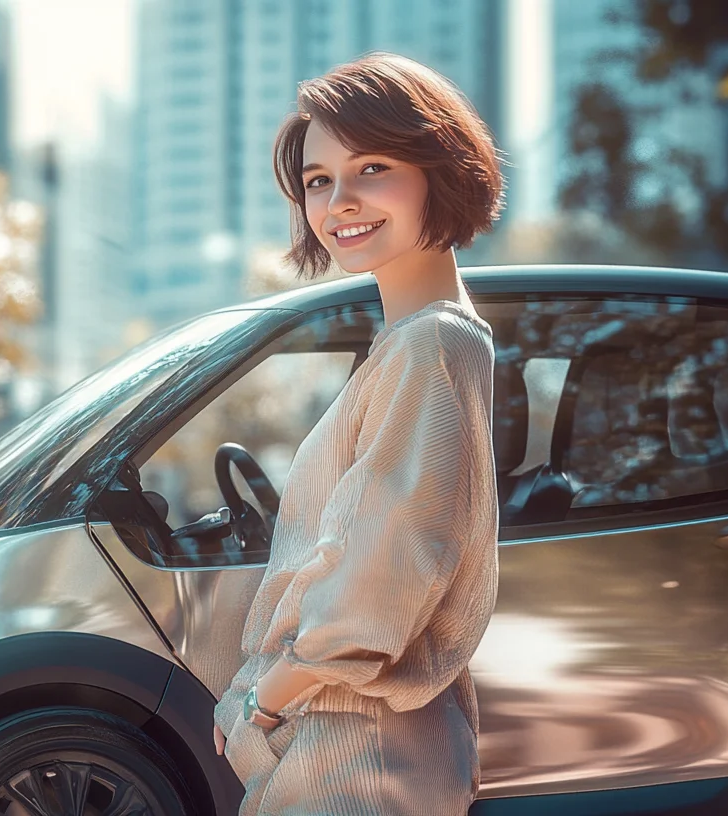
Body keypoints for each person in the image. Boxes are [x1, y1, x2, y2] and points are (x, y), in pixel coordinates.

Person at [212, 52, 504, 815]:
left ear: (439, 168)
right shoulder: (418, 344)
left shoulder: (431, 346)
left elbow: (392, 554)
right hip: (355, 738)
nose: (339, 200)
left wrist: (269, 698)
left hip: (354, 748)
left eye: (371, 166)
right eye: (317, 180)